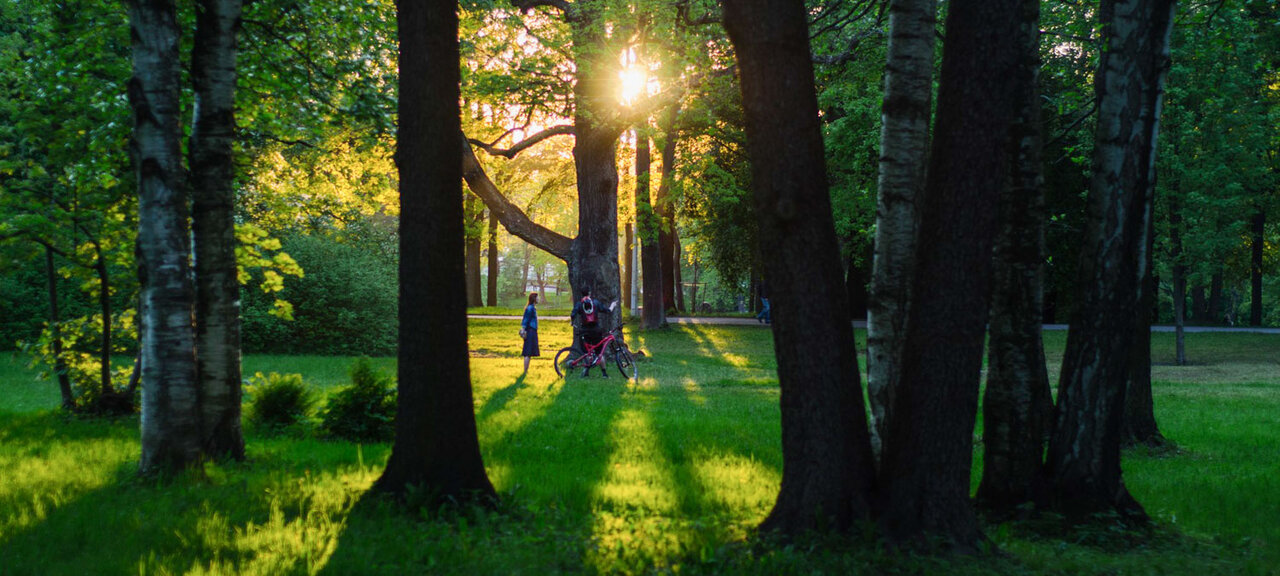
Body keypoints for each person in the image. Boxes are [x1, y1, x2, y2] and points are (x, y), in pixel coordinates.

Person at [570, 287, 609, 377]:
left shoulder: (579, 304)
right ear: (589, 293)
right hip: (596, 330)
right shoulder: (595, 303)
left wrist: (572, 322)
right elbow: (606, 310)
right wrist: (612, 306)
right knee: (599, 353)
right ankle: (604, 374)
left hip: (584, 331)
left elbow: (573, 314)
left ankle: (586, 371)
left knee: (586, 352)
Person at [520, 292, 539, 376]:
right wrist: (523, 329)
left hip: (533, 331)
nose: (539, 299)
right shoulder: (530, 308)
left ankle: (526, 370)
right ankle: (525, 371)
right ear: (534, 299)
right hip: (530, 331)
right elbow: (526, 319)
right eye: (538, 298)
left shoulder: (532, 308)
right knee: (527, 352)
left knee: (530, 352)